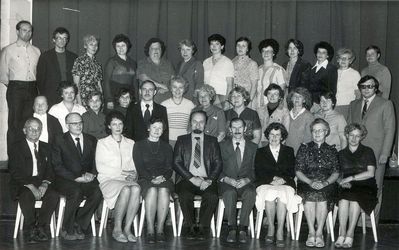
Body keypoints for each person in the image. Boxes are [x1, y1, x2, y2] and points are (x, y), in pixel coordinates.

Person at [347, 75, 395, 224]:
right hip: (355, 153)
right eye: (363, 86)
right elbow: (348, 128)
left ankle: (369, 223)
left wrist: (385, 153)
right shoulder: (353, 104)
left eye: (370, 86)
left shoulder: (385, 104)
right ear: (359, 88)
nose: (366, 89)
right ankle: (355, 221)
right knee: (356, 187)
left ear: (375, 88)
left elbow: (390, 130)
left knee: (375, 187)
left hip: (376, 154)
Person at [52, 113, 102, 240]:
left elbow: (96, 161)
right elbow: (57, 166)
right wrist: (75, 178)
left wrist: (92, 174)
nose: (78, 126)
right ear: (67, 125)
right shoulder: (59, 139)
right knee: (76, 191)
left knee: (98, 191)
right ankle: (66, 227)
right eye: (74, 123)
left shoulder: (91, 139)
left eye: (80, 122)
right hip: (65, 179)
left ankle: (80, 224)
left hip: (86, 178)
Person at [173, 110, 222, 240]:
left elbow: (218, 163)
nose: (198, 125)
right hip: (186, 179)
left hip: (207, 179)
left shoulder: (212, 141)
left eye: (201, 122)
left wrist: (210, 180)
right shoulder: (182, 140)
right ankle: (189, 226)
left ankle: (203, 227)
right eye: (195, 121)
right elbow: (176, 162)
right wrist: (191, 178)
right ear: (190, 122)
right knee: (184, 195)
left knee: (212, 196)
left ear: (205, 124)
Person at [9, 118, 58, 243]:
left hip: (41, 181)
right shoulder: (16, 147)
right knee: (26, 196)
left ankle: (41, 227)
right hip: (23, 182)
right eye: (31, 129)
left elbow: (51, 169)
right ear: (25, 130)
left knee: (53, 195)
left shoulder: (47, 147)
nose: (34, 132)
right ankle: (30, 227)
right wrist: (31, 186)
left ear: (41, 131)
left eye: (38, 129)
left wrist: (45, 183)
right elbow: (15, 171)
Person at [96, 111, 141, 243]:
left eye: (120, 123)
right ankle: (117, 229)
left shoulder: (131, 143)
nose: (117, 127)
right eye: (114, 124)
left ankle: (127, 229)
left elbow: (135, 164)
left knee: (136, 189)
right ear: (109, 126)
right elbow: (101, 167)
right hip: (108, 179)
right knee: (126, 189)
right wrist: (124, 173)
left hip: (126, 180)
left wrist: (134, 174)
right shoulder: (102, 143)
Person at [295, 118, 340, 248]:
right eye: (314, 131)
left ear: (326, 132)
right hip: (306, 182)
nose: (317, 133)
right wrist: (310, 182)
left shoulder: (332, 150)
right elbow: (298, 171)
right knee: (309, 198)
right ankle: (311, 232)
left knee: (322, 198)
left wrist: (325, 183)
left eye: (320, 130)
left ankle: (319, 233)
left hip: (327, 184)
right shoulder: (303, 148)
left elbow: (336, 172)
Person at [254, 123, 298, 247]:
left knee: (283, 194)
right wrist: (272, 179)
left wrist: (282, 179)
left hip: (285, 182)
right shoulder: (260, 151)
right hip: (266, 182)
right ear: (267, 136)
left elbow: (292, 170)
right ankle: (271, 228)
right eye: (271, 134)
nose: (274, 137)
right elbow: (258, 170)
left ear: (282, 137)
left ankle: (279, 231)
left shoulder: (289, 150)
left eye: (277, 135)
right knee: (269, 194)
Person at [335, 123, 378, 248]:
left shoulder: (368, 151)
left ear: (362, 137)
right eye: (351, 135)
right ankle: (342, 233)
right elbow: (336, 174)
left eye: (357, 136)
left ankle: (350, 234)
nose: (354, 139)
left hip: (366, 185)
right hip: (347, 185)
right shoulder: (341, 153)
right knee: (343, 199)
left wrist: (350, 177)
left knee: (355, 199)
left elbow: (371, 173)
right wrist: (341, 182)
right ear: (347, 135)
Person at [0, 20, 40, 150]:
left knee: (29, 123)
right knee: (15, 124)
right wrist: (16, 87)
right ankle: (14, 160)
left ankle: (26, 157)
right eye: (24, 30)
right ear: (17, 31)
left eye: (30, 30)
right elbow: (3, 75)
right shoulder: (8, 50)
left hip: (32, 89)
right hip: (16, 89)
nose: (27, 33)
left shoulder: (36, 51)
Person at [134, 118, 174, 243]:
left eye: (160, 128)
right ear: (148, 128)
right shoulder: (138, 145)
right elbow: (139, 167)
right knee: (151, 190)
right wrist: (151, 178)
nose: (157, 130)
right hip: (145, 178)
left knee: (163, 190)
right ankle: (150, 228)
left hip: (163, 179)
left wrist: (163, 177)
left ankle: (160, 229)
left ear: (163, 131)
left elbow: (169, 168)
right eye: (154, 127)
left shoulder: (167, 147)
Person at [219, 118, 257, 243]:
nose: (237, 130)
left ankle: (243, 229)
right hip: (227, 183)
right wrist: (226, 179)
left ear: (245, 129)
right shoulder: (221, 146)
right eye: (234, 128)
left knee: (251, 193)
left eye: (240, 127)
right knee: (230, 193)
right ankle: (232, 228)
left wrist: (247, 180)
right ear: (230, 129)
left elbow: (255, 169)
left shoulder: (253, 147)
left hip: (246, 183)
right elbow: (216, 168)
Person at [36, 27, 78, 107]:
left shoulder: (73, 57)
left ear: (67, 40)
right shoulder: (45, 57)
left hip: (69, 95)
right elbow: (40, 80)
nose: (62, 41)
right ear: (54, 40)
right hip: (51, 96)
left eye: (65, 38)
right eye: (59, 38)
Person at [103, 34, 137, 110]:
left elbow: (135, 83)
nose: (121, 48)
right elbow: (106, 82)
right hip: (114, 95)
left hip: (129, 97)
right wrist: (109, 99)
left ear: (127, 46)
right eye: (118, 46)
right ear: (115, 47)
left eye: (123, 45)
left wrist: (136, 99)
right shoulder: (111, 61)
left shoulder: (133, 62)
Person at [137, 38, 174, 103]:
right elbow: (145, 79)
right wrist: (162, 86)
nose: (156, 50)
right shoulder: (142, 63)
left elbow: (173, 80)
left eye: (158, 48)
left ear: (161, 50)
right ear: (148, 51)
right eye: (153, 48)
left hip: (167, 101)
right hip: (149, 102)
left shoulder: (168, 64)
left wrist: (167, 88)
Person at [161, 76, 195, 147]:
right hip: (168, 140)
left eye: (181, 87)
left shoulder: (190, 105)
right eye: (174, 87)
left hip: (185, 140)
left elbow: (191, 125)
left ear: (184, 89)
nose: (177, 90)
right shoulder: (164, 104)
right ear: (170, 88)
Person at [203, 34, 234, 109]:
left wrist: (228, 101)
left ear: (222, 46)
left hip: (221, 98)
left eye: (217, 44)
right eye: (212, 44)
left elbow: (230, 84)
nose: (214, 46)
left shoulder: (227, 62)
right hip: (208, 98)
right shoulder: (206, 62)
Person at [254, 38, 286, 111]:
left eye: (268, 51)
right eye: (263, 51)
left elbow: (282, 91)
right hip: (258, 108)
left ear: (273, 53)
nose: (266, 53)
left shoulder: (278, 70)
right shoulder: (258, 69)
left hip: (273, 108)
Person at [72, 34, 103, 109]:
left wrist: (101, 99)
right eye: (91, 44)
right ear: (85, 46)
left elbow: (99, 85)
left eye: (96, 45)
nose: (94, 47)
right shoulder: (79, 61)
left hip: (96, 99)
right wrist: (79, 103)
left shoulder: (97, 64)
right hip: (84, 98)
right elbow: (76, 84)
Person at [306, 41, 338, 113]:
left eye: (323, 52)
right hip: (310, 104)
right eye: (319, 52)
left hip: (321, 104)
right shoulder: (312, 68)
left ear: (327, 55)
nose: (320, 54)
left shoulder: (331, 68)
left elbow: (332, 90)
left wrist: (323, 104)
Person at [285, 87, 314, 154]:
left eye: (300, 96)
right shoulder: (286, 114)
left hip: (302, 153)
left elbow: (309, 139)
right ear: (291, 99)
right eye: (295, 96)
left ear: (304, 100)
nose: (297, 98)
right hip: (287, 152)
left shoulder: (309, 116)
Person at [232, 37, 259, 108]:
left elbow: (254, 86)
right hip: (234, 100)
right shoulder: (232, 62)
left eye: (243, 46)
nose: (240, 48)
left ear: (247, 49)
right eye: (238, 45)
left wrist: (249, 101)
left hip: (247, 100)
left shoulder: (252, 63)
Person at [335, 48, 361, 118]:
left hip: (347, 107)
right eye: (341, 58)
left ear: (350, 61)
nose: (343, 60)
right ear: (338, 60)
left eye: (346, 58)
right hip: (334, 106)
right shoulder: (333, 72)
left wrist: (355, 109)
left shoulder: (355, 74)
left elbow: (358, 94)